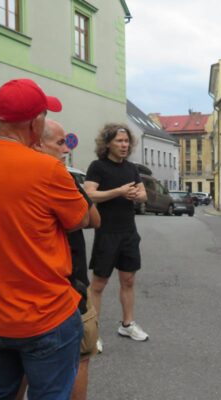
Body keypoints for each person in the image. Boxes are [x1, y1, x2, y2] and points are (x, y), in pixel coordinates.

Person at [0, 78, 89, 399]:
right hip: (44, 316)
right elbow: (81, 219)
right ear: (36, 123)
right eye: (45, 116)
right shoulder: (48, 169)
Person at [32, 119, 101, 400]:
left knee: (15, 370)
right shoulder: (59, 178)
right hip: (66, 290)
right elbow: (94, 218)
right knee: (80, 357)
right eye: (59, 143)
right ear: (37, 142)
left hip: (13, 295)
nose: (65, 150)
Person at [84, 123, 148, 353]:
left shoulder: (131, 168)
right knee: (99, 284)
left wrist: (135, 194)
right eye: (119, 141)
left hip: (129, 233)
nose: (124, 145)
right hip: (107, 233)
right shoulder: (97, 167)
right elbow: (90, 194)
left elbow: (143, 195)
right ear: (108, 143)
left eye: (126, 141)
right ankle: (93, 332)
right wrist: (119, 192)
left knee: (128, 280)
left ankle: (127, 324)